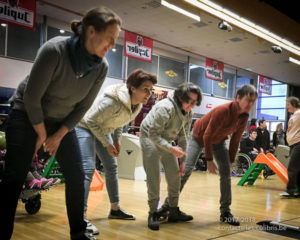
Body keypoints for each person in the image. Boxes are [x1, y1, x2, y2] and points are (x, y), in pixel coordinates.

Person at [0, 7, 121, 240]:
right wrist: (42, 134)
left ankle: (78, 232)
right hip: (26, 114)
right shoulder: (54, 50)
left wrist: (58, 135)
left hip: (62, 122)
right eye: (109, 39)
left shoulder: (101, 68)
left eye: (115, 41)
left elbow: (83, 107)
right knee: (14, 176)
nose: (111, 45)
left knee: (76, 174)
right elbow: (31, 98)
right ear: (92, 31)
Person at [158, 84, 258, 226]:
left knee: (226, 173)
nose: (250, 104)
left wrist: (230, 160)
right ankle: (168, 206)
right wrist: (209, 160)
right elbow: (207, 136)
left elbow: (235, 139)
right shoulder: (223, 110)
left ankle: (225, 212)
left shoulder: (244, 117)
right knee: (186, 170)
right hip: (198, 137)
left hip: (218, 141)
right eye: (248, 100)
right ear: (238, 98)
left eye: (253, 101)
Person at [75, 69, 157, 234]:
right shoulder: (112, 101)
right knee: (88, 169)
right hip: (84, 125)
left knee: (112, 167)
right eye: (145, 89)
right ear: (133, 88)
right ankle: (80, 216)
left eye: (151, 90)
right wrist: (107, 144)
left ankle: (115, 209)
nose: (149, 94)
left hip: (102, 128)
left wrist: (117, 140)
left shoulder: (137, 104)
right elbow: (90, 119)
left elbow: (121, 121)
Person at [139, 83, 202, 231]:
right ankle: (153, 213)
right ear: (180, 97)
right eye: (190, 102)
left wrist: (183, 161)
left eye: (195, 103)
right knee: (154, 176)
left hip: (166, 140)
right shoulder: (165, 108)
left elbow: (184, 137)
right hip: (149, 136)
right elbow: (153, 134)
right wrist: (171, 148)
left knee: (175, 176)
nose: (192, 105)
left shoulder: (188, 112)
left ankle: (173, 211)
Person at [280, 97, 300, 198]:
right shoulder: (294, 115)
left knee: (292, 168)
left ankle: (290, 191)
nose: (286, 107)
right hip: (293, 144)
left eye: (288, 104)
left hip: (298, 143)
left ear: (293, 104)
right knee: (297, 169)